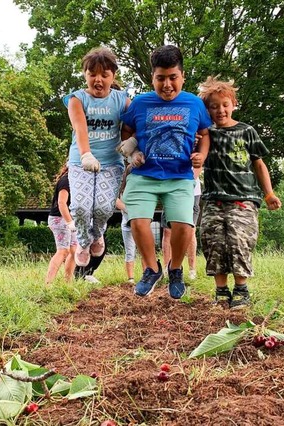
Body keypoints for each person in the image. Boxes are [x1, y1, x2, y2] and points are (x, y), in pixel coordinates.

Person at [118, 45, 212, 299]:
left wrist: (201, 156)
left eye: (173, 77)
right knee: (137, 221)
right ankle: (151, 268)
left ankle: (176, 269)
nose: (167, 84)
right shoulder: (140, 103)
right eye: (161, 78)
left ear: (182, 76)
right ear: (152, 78)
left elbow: (204, 134)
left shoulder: (194, 104)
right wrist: (131, 153)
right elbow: (126, 131)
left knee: (184, 225)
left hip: (180, 176)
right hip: (144, 175)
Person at [197, 76, 282, 309]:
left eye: (224, 104)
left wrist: (269, 193)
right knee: (213, 241)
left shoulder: (247, 131)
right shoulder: (205, 135)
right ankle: (221, 291)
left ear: (233, 103)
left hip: (243, 199)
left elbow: (259, 164)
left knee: (239, 241)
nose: (220, 110)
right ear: (207, 110)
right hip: (213, 199)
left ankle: (241, 290)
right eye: (213, 106)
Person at [64, 47, 130, 268]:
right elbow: (80, 128)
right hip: (80, 162)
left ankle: (98, 233)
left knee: (103, 208)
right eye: (92, 74)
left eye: (104, 74)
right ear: (85, 74)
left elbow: (138, 123)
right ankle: (83, 241)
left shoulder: (122, 100)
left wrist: (134, 144)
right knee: (81, 207)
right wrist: (86, 154)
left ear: (113, 76)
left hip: (111, 163)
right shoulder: (77, 99)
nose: (98, 80)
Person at [161, 167, 202, 280]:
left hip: (192, 191)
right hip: (171, 190)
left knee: (190, 230)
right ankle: (167, 269)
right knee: (167, 230)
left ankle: (192, 270)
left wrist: (187, 183)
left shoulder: (195, 149)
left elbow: (199, 164)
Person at [45, 165, 77, 284]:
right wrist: (70, 223)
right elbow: (61, 203)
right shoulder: (66, 180)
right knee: (63, 251)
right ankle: (48, 283)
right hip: (60, 218)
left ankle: (68, 283)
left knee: (74, 251)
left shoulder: (74, 179)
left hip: (69, 219)